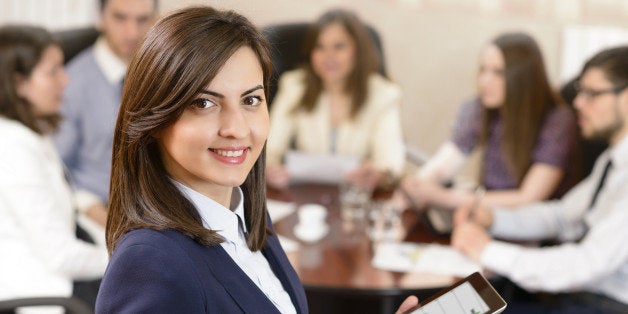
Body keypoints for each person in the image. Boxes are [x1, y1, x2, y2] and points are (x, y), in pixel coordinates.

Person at [92, 6, 419, 313]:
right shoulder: (150, 264)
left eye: (251, 99)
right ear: (154, 119)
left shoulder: (248, 216)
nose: (237, 128)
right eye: (204, 103)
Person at [452, 46, 628, 313]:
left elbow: (588, 264)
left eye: (592, 93)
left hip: (603, 304)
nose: (578, 102)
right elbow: (561, 217)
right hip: (578, 296)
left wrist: (488, 250)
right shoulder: (612, 161)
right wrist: (494, 219)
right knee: (451, 305)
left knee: (460, 307)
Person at [398, 32, 578, 210]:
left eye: (498, 72)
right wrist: (417, 187)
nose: (484, 81)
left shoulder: (558, 121)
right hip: (485, 215)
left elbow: (528, 198)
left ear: (523, 78)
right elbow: (445, 163)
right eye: (483, 70)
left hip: (531, 228)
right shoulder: (479, 108)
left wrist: (442, 197)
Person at [0, 25, 108, 312]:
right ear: (19, 82)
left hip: (68, 282)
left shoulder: (31, 135)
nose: (65, 80)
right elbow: (60, 254)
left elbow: (67, 211)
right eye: (53, 72)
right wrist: (121, 257)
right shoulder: (11, 147)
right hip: (48, 294)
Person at [265, 9, 405, 191]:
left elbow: (390, 161)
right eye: (319, 47)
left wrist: (378, 175)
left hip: (356, 197)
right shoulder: (295, 86)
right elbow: (270, 150)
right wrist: (270, 170)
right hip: (305, 196)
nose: (328, 57)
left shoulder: (383, 94)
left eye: (339, 47)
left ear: (357, 51)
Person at [53, 0, 157, 208]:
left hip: (157, 206)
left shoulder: (163, 72)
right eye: (120, 18)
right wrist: (92, 209)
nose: (132, 32)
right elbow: (57, 169)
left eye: (142, 20)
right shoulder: (69, 84)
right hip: (101, 210)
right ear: (100, 19)